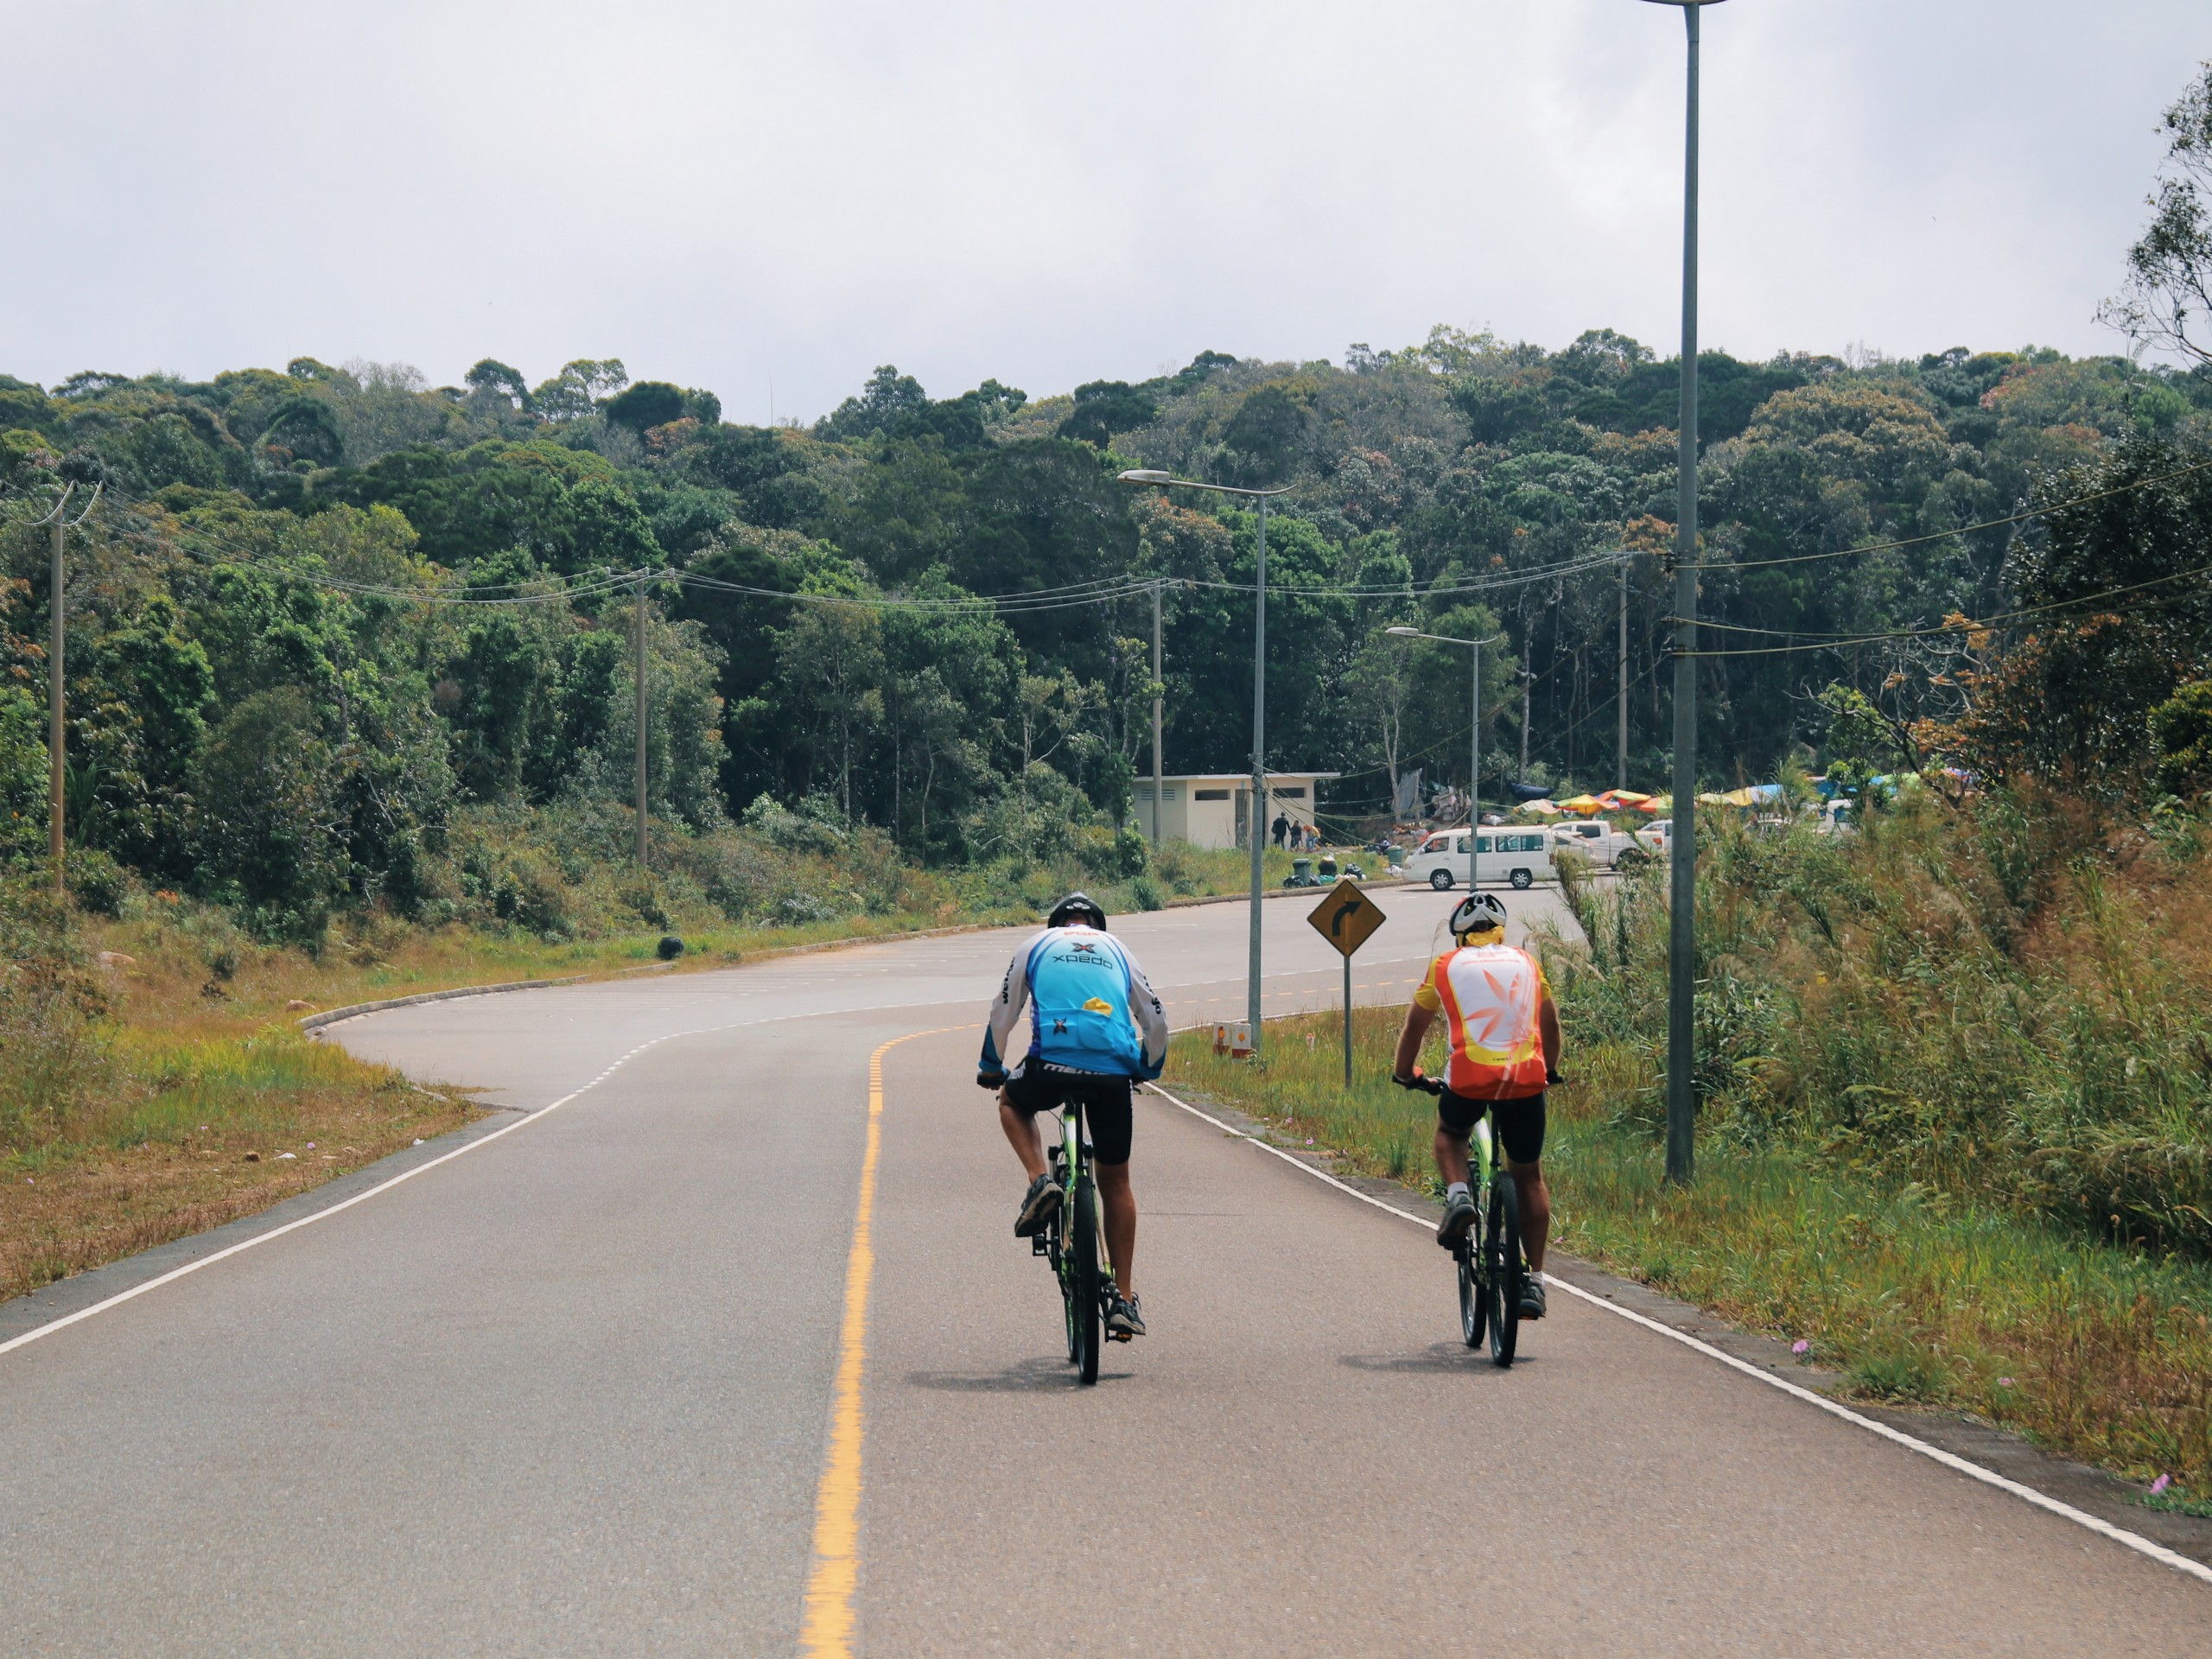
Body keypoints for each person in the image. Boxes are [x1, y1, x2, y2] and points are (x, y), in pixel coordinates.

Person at [977, 892, 1168, 1339]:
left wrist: (991, 1067)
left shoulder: (1036, 946)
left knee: (1009, 1100)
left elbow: (1002, 1010)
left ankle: (1039, 1180)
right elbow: (1156, 1019)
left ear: (1057, 924)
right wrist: (1148, 1067)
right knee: (1116, 1182)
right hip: (1112, 1072)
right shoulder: (1119, 949)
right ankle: (1122, 1297)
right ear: (1095, 926)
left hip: (1051, 1062)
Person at [1390, 890, 1560, 1319]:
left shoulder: (1445, 965)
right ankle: (1535, 1283)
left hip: (1470, 1079)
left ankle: (1459, 1196)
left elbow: (1414, 1026)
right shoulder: (1527, 961)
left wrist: (1405, 1073)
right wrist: (1550, 1070)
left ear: (1460, 937)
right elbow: (1551, 1021)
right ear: (1501, 932)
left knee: (1451, 1135)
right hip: (1525, 1080)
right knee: (1529, 1176)